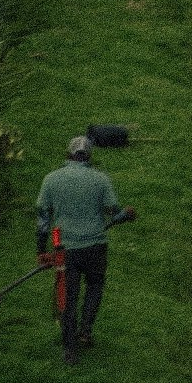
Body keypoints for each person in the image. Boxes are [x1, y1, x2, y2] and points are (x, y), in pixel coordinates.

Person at [33, 136, 127, 358]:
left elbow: (43, 219)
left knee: (68, 296)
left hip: (64, 248)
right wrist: (126, 215)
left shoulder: (51, 180)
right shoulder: (101, 179)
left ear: (68, 154)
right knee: (94, 286)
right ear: (89, 156)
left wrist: (40, 249)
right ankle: (85, 330)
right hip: (96, 245)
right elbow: (114, 211)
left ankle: (70, 349)